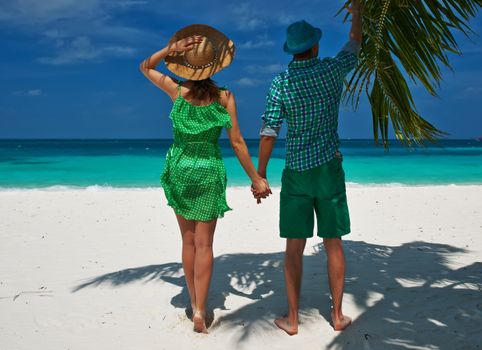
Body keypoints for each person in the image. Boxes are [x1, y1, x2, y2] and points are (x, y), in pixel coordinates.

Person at [140, 24, 269, 334]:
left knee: (187, 241)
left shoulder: (176, 91)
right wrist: (256, 178)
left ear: (186, 65)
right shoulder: (225, 97)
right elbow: (237, 142)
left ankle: (195, 304)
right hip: (209, 167)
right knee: (205, 244)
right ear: (213, 66)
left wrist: (170, 50)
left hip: (181, 167)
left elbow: (145, 66)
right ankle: (200, 311)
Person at [254, 1, 363, 336]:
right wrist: (358, 13)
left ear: (292, 50)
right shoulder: (331, 70)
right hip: (329, 167)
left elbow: (269, 132)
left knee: (294, 247)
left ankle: (293, 319)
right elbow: (355, 42)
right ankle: (339, 315)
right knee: (334, 243)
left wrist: (260, 175)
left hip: (297, 171)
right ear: (314, 46)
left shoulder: (280, 84)